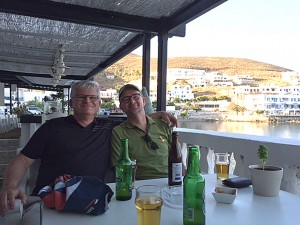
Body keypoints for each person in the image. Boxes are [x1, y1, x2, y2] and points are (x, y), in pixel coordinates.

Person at [0, 80, 177, 216]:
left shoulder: (108, 126)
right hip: (51, 200)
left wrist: (160, 114)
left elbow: (136, 116)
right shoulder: (52, 127)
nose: (88, 101)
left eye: (93, 97)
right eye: (81, 97)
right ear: (71, 103)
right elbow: (23, 159)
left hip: (95, 200)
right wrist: (10, 186)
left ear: (99, 103)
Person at [111, 84, 172, 180]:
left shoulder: (163, 125)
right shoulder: (118, 132)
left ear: (144, 101)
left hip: (169, 181)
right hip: (140, 184)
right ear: (121, 107)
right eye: (126, 99)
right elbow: (119, 167)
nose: (132, 101)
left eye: (135, 97)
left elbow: (177, 158)